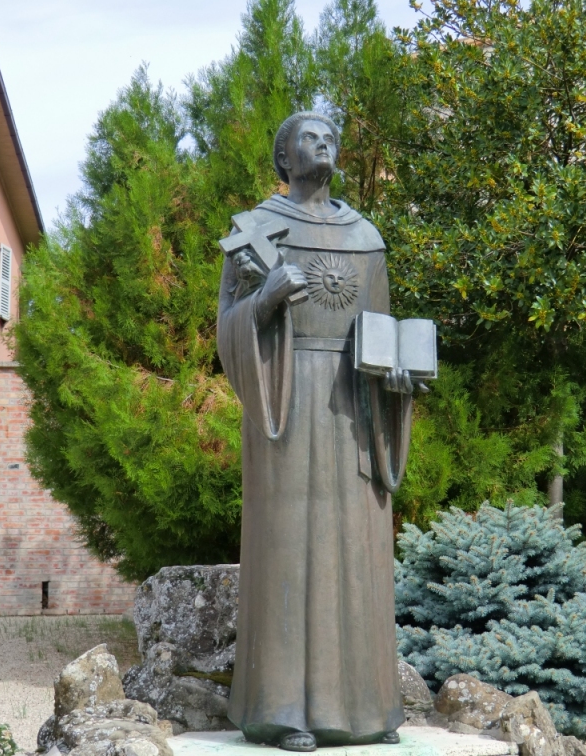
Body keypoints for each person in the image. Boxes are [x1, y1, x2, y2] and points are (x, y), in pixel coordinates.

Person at [217, 111, 413, 752]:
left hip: (355, 407)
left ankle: (364, 709)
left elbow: (384, 333)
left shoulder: (367, 234)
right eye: (308, 136)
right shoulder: (256, 232)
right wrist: (265, 301)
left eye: (330, 135)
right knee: (288, 545)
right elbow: (227, 328)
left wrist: (400, 380)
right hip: (287, 403)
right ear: (284, 157)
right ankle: (283, 711)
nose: (323, 141)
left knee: (356, 551)